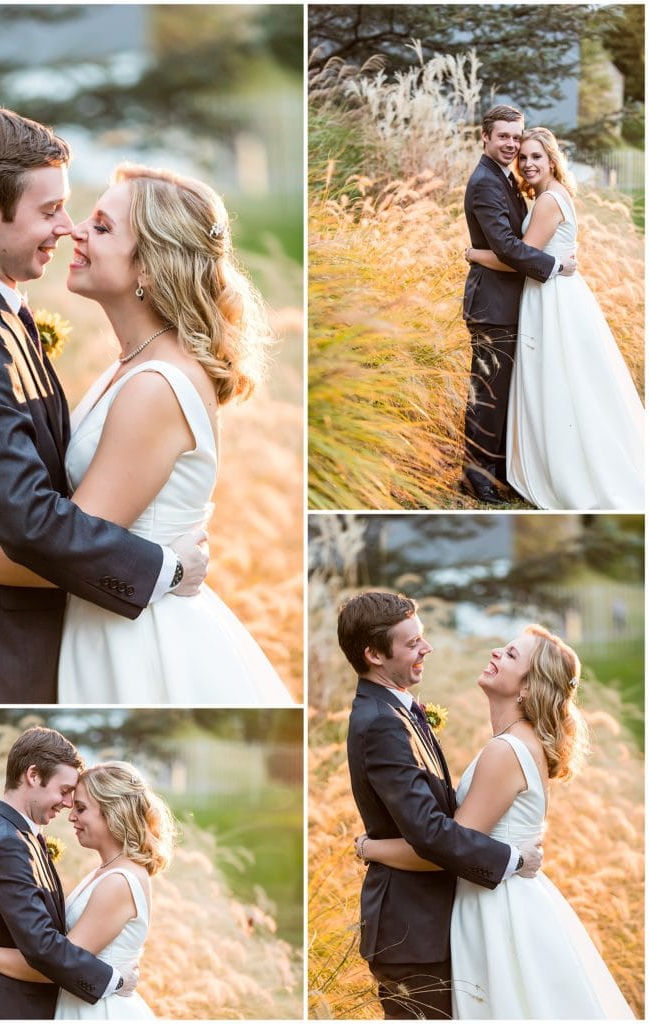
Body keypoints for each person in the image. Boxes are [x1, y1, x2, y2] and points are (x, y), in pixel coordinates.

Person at [0, 163, 293, 706]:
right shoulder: (132, 364)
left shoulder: (156, 386)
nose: (74, 230)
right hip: (107, 624)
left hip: (133, 643)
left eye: (102, 227)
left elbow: (59, 551)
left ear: (149, 268)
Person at [357, 625, 635, 1020]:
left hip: (495, 910)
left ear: (527, 687)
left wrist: (368, 847)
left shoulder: (505, 751)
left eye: (509, 655)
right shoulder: (516, 741)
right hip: (501, 895)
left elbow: (444, 850)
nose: (494, 653)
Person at [341, 592, 542, 1020]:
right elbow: (430, 832)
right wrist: (511, 858)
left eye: (423, 638)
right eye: (412, 644)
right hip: (411, 935)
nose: (426, 649)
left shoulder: (399, 711)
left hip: (436, 926)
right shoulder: (380, 723)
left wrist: (370, 848)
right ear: (374, 654)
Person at [465, 127, 644, 510]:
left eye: (535, 157)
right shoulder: (552, 194)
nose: (527, 163)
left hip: (551, 298)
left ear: (551, 159)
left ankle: (561, 472)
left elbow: (519, 257)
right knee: (564, 381)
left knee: (558, 381)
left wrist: (475, 254)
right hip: (552, 294)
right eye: (523, 157)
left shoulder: (548, 200)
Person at [0, 757, 175, 1020]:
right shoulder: (107, 871)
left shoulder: (118, 881)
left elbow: (55, 965)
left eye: (81, 808)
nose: (72, 816)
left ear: (113, 812)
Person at [461, 105, 576, 506]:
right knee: (488, 393)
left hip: (514, 302)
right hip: (492, 305)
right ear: (485, 137)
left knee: (504, 391)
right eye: (504, 137)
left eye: (517, 137)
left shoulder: (505, 179)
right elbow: (509, 249)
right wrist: (555, 264)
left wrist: (474, 253)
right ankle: (476, 477)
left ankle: (502, 469)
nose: (512, 145)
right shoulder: (486, 183)